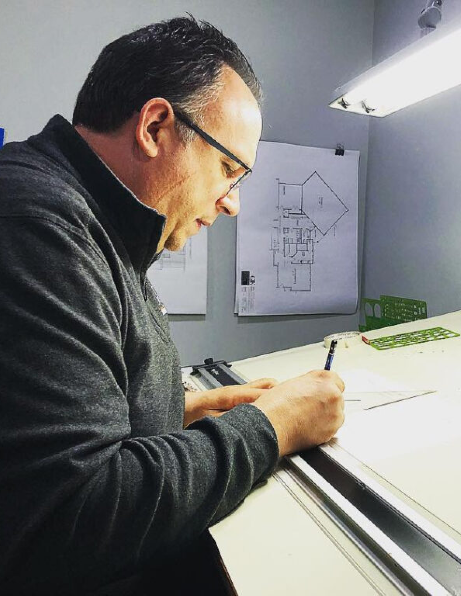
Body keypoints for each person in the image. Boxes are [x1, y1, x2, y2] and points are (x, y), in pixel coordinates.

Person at [0, 16, 345, 595]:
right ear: (156, 126)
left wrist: (182, 410)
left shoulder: (99, 222)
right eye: (229, 170)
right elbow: (74, 516)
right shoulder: (38, 226)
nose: (231, 203)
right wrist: (273, 425)